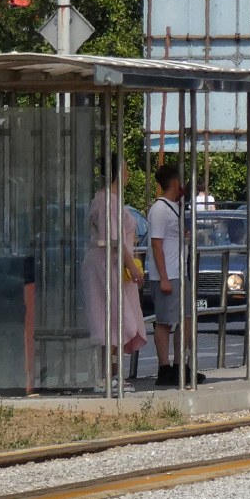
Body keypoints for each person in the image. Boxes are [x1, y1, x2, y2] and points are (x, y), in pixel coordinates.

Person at [83, 154, 148, 393]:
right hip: (108, 264)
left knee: (114, 318)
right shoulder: (107, 201)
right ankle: (107, 377)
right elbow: (113, 238)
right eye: (127, 169)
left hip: (111, 263)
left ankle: (110, 376)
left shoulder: (108, 200)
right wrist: (131, 264)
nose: (130, 174)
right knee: (115, 318)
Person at [147, 162, 206, 388]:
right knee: (164, 322)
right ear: (174, 183)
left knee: (187, 318)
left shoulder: (176, 207)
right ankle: (164, 367)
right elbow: (156, 244)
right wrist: (163, 277)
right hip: (167, 273)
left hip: (179, 271)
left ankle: (181, 363)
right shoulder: (160, 209)